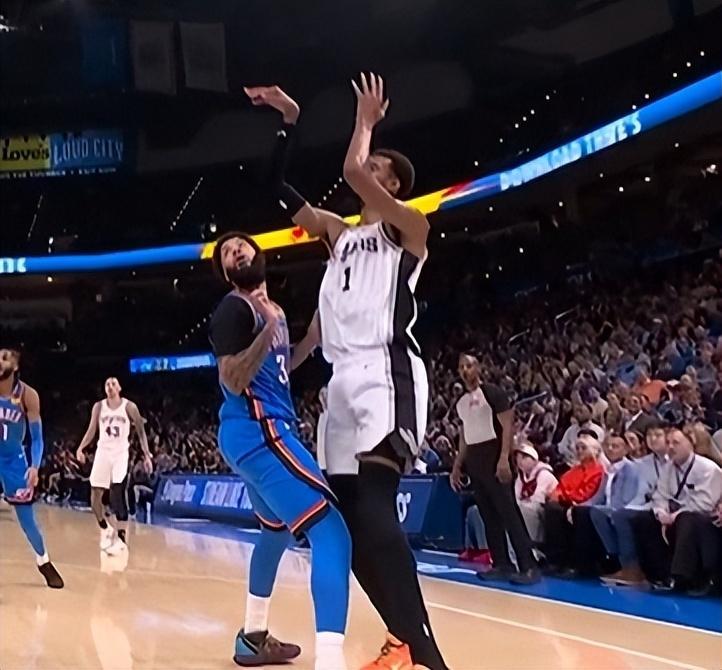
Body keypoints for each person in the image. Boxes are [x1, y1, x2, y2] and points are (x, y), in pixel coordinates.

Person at [245, 76, 448, 670]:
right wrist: (289, 120)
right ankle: (403, 643)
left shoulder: (409, 228)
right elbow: (276, 188)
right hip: (339, 385)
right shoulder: (338, 234)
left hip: (387, 374)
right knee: (347, 529)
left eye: (380, 167)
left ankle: (430, 657)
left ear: (394, 185)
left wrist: (365, 122)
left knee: (378, 512)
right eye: (372, 160)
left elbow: (354, 170)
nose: (368, 168)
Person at [209, 231, 351, 670]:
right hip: (260, 430)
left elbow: (280, 365)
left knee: (275, 533)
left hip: (251, 435)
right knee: (332, 532)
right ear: (227, 274)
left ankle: (252, 639)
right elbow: (233, 379)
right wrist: (268, 327)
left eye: (241, 245)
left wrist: (309, 339)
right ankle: (331, 661)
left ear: (259, 254)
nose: (237, 251)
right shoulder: (235, 309)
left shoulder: (275, 311)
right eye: (228, 253)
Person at [452, 354, 540, 584]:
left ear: (478, 368)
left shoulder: (493, 393)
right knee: (488, 515)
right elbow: (465, 435)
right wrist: (457, 465)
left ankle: (529, 565)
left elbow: (507, 426)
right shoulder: (461, 402)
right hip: (475, 460)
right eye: (461, 367)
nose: (465, 370)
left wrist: (504, 458)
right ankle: (501, 563)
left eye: (469, 365)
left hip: (494, 455)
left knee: (509, 513)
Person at [630, 428, 722, 594]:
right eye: (668, 443)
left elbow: (704, 504)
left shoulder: (708, 469)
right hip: (676, 517)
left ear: (690, 443)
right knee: (643, 519)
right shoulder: (668, 468)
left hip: (703, 521)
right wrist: (661, 512)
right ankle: (659, 575)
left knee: (687, 519)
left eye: (676, 443)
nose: (671, 447)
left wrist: (674, 516)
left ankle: (681, 577)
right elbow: (660, 495)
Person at [0, 347, 63, 588]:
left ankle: (43, 560)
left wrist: (35, 466)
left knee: (27, 520)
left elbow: (36, 438)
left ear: (16, 366)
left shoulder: (28, 395)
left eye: (4, 358)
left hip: (13, 460)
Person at [76, 377, 153, 555]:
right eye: (107, 384)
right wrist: (81, 448)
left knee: (117, 492)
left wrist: (146, 454)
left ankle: (122, 538)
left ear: (119, 387)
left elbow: (141, 431)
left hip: (120, 453)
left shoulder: (129, 407)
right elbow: (92, 429)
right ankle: (105, 527)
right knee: (95, 497)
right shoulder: (98, 407)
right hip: (103, 452)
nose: (110, 386)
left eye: (113, 384)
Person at [597, 420, 669, 586]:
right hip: (648, 505)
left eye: (657, 435)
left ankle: (635, 568)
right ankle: (624, 564)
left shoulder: (673, 460)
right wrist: (626, 508)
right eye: (649, 435)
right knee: (614, 514)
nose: (653, 439)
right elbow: (641, 494)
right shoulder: (642, 463)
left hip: (669, 506)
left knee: (624, 515)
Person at [543, 433, 605, 577]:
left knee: (574, 513)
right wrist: (558, 496)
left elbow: (586, 494)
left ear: (594, 450)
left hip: (585, 504)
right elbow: (560, 487)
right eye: (577, 448)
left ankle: (577, 564)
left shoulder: (598, 471)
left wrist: (563, 496)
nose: (579, 451)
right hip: (567, 503)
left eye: (583, 448)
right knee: (552, 509)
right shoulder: (573, 470)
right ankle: (556, 560)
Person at [513, 442, 558, 543]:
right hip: (528, 505)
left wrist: (522, 504)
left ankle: (534, 542)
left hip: (545, 509)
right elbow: (516, 495)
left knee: (527, 509)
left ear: (534, 459)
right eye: (518, 458)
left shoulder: (544, 474)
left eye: (524, 457)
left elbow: (538, 498)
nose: (520, 462)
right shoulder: (522, 476)